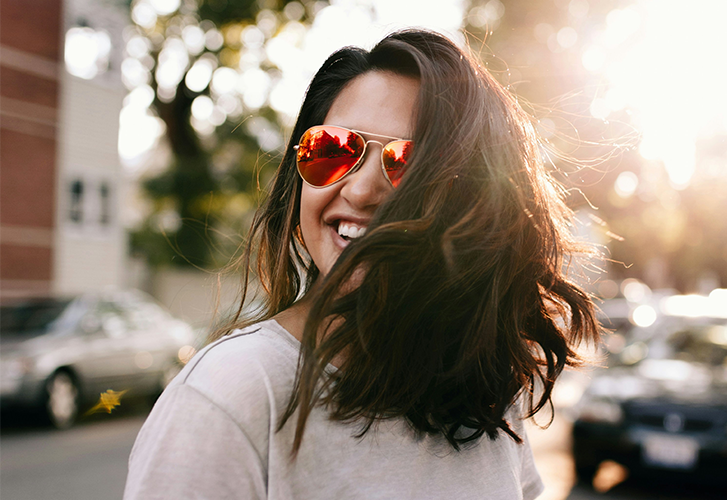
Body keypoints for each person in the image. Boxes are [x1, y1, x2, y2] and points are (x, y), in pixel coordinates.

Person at [124, 29, 600, 500]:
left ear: (477, 204)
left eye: (409, 165)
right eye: (333, 150)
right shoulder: (230, 394)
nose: (360, 190)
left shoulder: (480, 388)